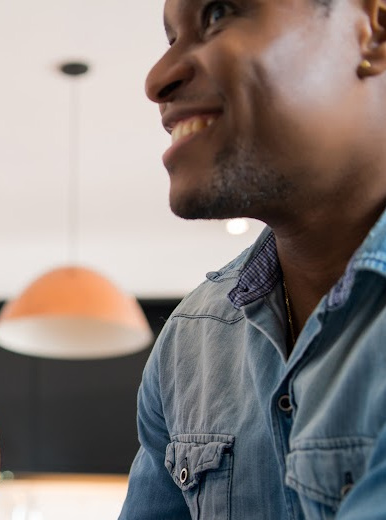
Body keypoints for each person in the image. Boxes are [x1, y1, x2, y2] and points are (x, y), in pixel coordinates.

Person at [121, 0, 386, 518]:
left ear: (373, 32)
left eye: (217, 15)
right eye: (170, 40)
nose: (157, 80)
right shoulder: (191, 340)